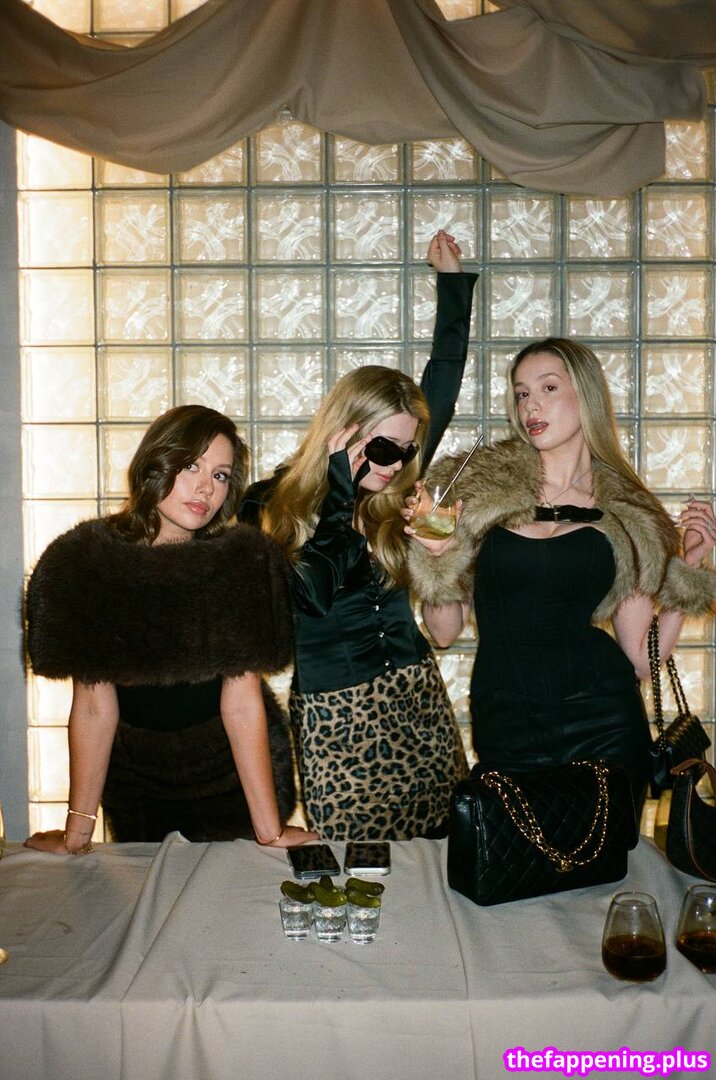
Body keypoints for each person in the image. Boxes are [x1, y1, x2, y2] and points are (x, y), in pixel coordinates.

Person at [407, 337, 716, 818]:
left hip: (606, 722)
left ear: (585, 395)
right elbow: (444, 632)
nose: (531, 405)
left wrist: (688, 569)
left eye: (548, 388)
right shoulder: (476, 492)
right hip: (507, 717)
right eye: (522, 393)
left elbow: (640, 659)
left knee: (604, 859)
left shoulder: (629, 511)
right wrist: (437, 555)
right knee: (512, 854)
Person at [240, 231, 479, 840]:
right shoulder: (268, 507)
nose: (397, 465)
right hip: (337, 724)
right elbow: (314, 594)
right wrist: (340, 491)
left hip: (420, 703)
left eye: (408, 450)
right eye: (383, 448)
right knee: (356, 872)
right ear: (343, 431)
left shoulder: (392, 498)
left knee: (440, 857)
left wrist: (454, 286)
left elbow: (441, 386)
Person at [24, 404, 318, 853]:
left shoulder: (239, 563)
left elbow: (242, 703)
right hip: (137, 786)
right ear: (154, 464)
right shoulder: (89, 562)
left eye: (220, 475)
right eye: (190, 466)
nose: (206, 487)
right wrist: (77, 833)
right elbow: (94, 707)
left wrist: (270, 830)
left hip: (230, 780)